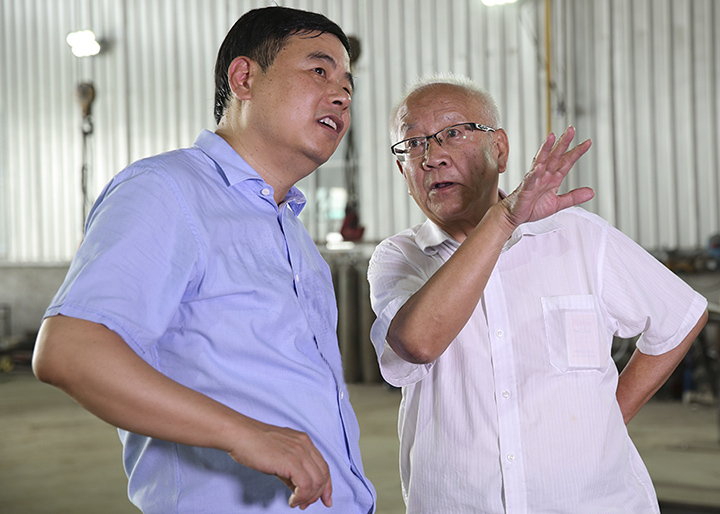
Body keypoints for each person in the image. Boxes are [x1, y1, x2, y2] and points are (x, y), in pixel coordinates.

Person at [32, 6, 376, 513]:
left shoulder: (289, 230)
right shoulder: (168, 190)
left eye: (348, 84)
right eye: (319, 71)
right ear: (244, 79)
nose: (342, 95)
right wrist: (244, 434)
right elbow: (69, 350)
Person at [367, 75, 708, 513]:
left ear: (499, 149)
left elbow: (679, 317)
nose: (432, 157)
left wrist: (610, 417)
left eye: (453, 133)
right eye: (413, 144)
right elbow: (418, 342)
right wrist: (504, 219)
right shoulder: (400, 257)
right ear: (403, 171)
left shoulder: (580, 237)